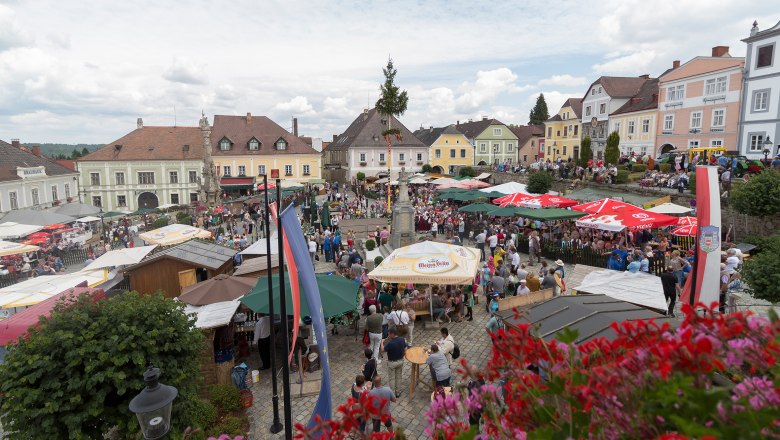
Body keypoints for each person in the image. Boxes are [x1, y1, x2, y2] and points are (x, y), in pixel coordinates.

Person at [380, 328, 406, 397]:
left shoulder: (390, 343)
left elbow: (382, 350)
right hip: (400, 361)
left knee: (391, 378)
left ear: (392, 334)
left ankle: (391, 393)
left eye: (389, 334)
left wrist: (382, 342)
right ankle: (398, 392)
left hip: (392, 363)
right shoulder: (402, 339)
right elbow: (405, 349)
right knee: (398, 377)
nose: (388, 335)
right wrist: (403, 354)